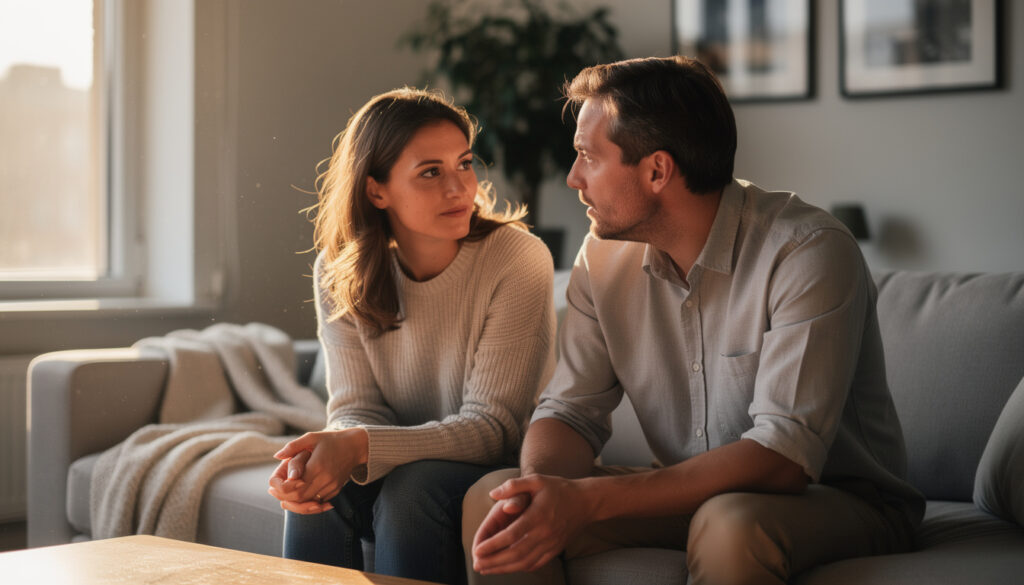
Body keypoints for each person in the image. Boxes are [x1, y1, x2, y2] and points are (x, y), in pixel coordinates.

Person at [464, 56, 925, 585]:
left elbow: (783, 456)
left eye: (588, 157)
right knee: (495, 503)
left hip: (838, 501)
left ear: (657, 170)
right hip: (688, 495)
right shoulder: (602, 257)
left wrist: (589, 500)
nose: (573, 178)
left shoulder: (807, 251)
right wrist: (541, 495)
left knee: (729, 524)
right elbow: (570, 412)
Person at [267, 87, 556, 585]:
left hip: (498, 465)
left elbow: (495, 429)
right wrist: (324, 455)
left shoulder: (517, 258)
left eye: (464, 164)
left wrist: (358, 445)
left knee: (411, 489)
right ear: (377, 190)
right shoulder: (339, 271)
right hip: (403, 463)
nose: (460, 188)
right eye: (430, 172)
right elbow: (357, 407)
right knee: (317, 485)